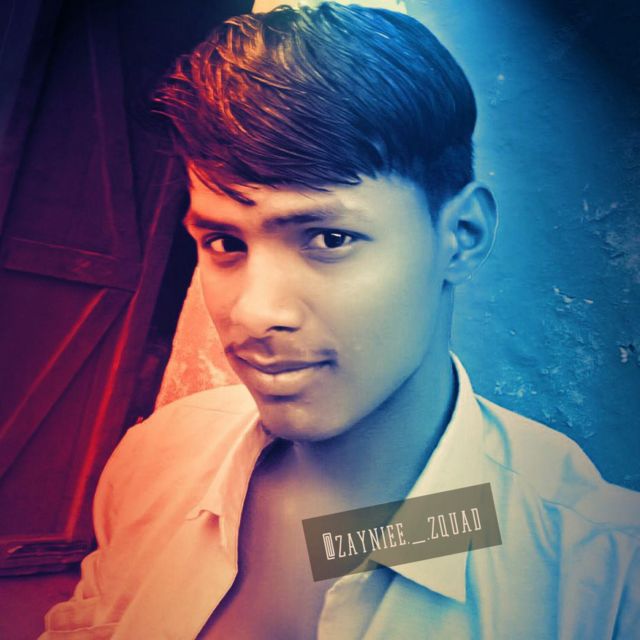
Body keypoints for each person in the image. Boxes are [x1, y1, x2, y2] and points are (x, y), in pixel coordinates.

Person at [41, 3, 640, 638]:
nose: (254, 314)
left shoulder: (601, 579)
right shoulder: (156, 461)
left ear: (461, 236)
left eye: (329, 238)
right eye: (224, 243)